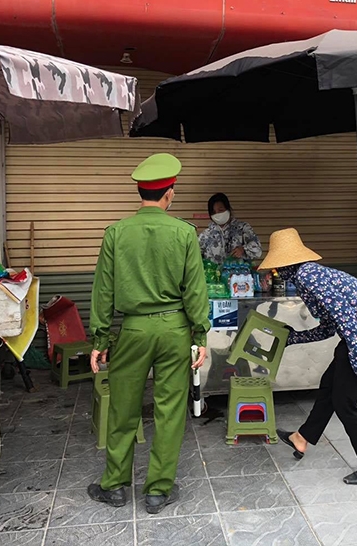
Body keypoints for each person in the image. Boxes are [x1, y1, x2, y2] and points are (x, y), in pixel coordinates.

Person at [87, 153, 210, 514]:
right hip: (175, 329)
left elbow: (103, 291)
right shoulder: (185, 233)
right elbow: (195, 290)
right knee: (170, 411)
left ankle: (114, 486)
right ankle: (157, 490)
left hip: (134, 329)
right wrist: (199, 336)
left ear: (140, 193)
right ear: (169, 194)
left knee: (123, 409)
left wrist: (100, 340)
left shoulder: (116, 233)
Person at [263, 228, 357, 485]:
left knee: (345, 402)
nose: (276, 273)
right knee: (329, 385)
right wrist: (294, 337)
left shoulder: (309, 276)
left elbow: (344, 317)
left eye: (277, 268)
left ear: (287, 263)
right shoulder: (305, 277)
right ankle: (302, 438)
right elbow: (328, 327)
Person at [198, 193, 262, 265]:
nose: (217, 214)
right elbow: (195, 257)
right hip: (214, 275)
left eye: (220, 210)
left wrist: (244, 249)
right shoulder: (206, 235)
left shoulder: (243, 228)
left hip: (239, 274)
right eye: (214, 212)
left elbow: (258, 251)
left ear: (228, 209)